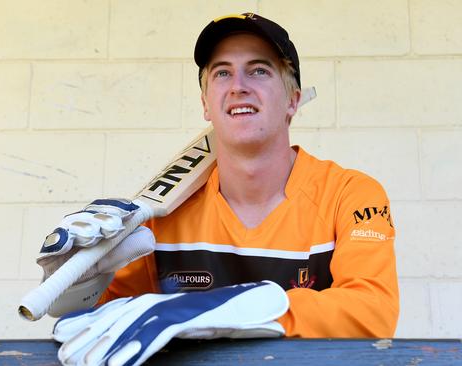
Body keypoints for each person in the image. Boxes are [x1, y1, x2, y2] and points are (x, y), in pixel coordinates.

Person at [40, 13, 398, 357]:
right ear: (205, 104)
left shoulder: (349, 193)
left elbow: (374, 311)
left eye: (259, 70)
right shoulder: (162, 213)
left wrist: (228, 309)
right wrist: (83, 289)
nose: (239, 86)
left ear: (293, 100)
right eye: (222, 73)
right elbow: (105, 326)